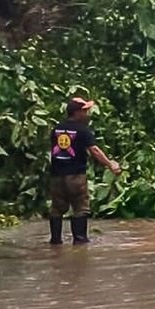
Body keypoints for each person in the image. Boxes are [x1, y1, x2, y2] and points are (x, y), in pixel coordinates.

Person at [49, 97, 122, 245]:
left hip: (56, 177)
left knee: (56, 209)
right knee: (80, 208)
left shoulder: (57, 129)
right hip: (76, 177)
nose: (88, 113)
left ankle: (55, 241)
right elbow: (94, 150)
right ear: (77, 112)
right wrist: (110, 164)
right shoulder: (82, 130)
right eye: (85, 111)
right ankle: (80, 241)